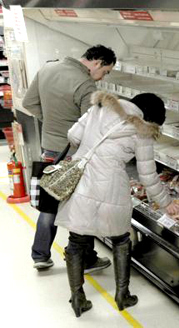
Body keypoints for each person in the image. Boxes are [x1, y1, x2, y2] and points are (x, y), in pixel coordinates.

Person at [55, 90, 179, 317]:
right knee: (121, 239)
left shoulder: (99, 108)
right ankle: (122, 294)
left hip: (81, 180)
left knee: (76, 241)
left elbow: (73, 135)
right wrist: (166, 202)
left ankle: (77, 298)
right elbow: (147, 175)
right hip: (111, 186)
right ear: (151, 116)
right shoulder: (143, 129)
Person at [22, 45, 116, 271]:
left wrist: (52, 122)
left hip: (49, 149)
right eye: (106, 71)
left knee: (49, 204)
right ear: (97, 62)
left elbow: (28, 103)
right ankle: (86, 259)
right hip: (74, 154)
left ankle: (40, 255)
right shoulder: (86, 85)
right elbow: (90, 125)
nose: (104, 76)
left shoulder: (48, 69)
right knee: (82, 207)